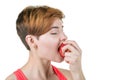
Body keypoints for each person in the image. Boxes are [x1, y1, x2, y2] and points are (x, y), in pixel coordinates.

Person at [6, 5, 85, 80]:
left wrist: (77, 72)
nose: (64, 37)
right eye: (54, 32)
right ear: (32, 41)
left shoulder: (70, 76)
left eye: (62, 30)